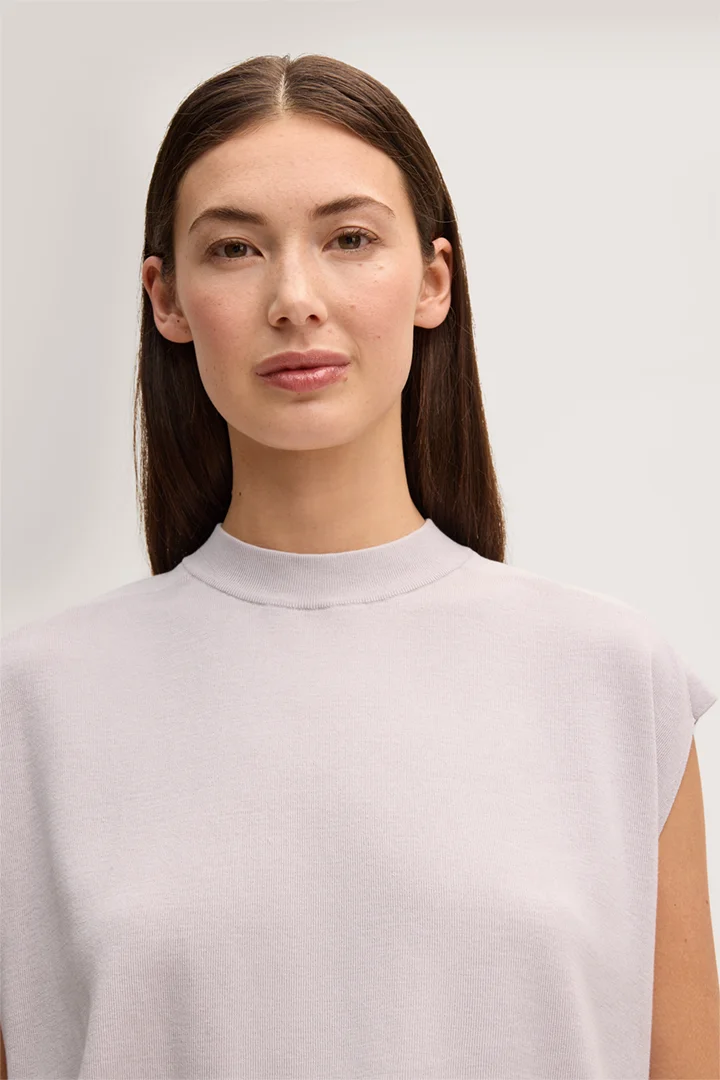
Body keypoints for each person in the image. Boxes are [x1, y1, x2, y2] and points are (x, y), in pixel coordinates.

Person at [1, 53, 717, 1080]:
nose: (296, 298)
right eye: (235, 248)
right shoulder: (31, 708)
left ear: (433, 279)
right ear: (167, 299)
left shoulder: (612, 680)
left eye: (349, 239)